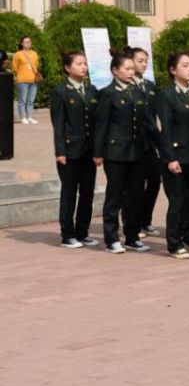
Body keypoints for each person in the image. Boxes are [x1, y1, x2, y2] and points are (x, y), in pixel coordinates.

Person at [93, 53, 156, 254]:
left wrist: (162, 146)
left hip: (137, 151)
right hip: (116, 152)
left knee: (135, 195)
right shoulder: (108, 93)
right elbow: (101, 125)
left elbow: (148, 122)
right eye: (127, 68)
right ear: (115, 70)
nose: (131, 72)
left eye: (132, 68)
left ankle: (132, 237)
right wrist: (98, 152)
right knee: (115, 196)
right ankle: (112, 239)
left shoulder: (138, 92)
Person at [156, 52, 189, 260]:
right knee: (178, 200)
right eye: (185, 65)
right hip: (176, 157)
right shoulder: (167, 94)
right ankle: (174, 243)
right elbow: (166, 130)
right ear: (173, 70)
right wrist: (170, 158)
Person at [51, 51, 100, 249]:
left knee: (87, 192)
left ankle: (83, 231)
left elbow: (96, 122)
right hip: (70, 151)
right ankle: (67, 234)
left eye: (85, 63)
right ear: (67, 68)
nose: (83, 66)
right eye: (79, 63)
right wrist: (60, 151)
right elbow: (59, 124)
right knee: (69, 192)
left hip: (88, 151)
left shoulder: (91, 89)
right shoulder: (60, 91)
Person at [128, 47, 162, 239]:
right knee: (134, 186)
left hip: (151, 142)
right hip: (133, 143)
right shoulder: (126, 85)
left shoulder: (149, 86)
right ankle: (132, 223)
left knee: (155, 180)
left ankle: (146, 220)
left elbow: (154, 114)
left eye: (145, 61)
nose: (143, 64)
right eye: (139, 60)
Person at [13, 35, 41, 124]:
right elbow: (14, 67)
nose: (28, 43)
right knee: (22, 100)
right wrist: (21, 73)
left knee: (31, 100)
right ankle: (23, 117)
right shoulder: (18, 54)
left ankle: (29, 117)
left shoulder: (34, 53)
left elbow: (36, 65)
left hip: (33, 80)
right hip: (22, 80)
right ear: (22, 44)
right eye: (26, 42)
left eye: (29, 42)